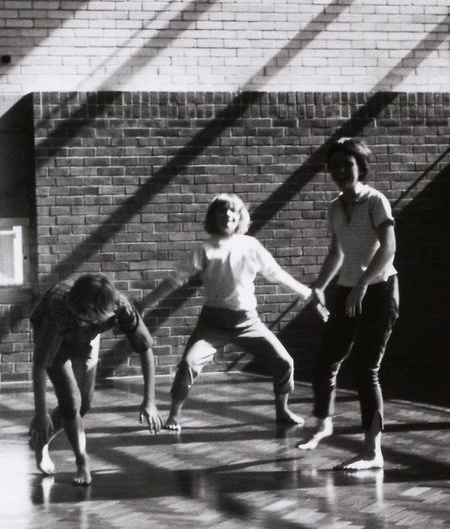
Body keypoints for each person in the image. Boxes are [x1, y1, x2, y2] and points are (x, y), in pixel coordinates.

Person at [164, 193, 313, 433]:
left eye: (233, 211)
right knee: (188, 364)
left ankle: (282, 409)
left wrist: (306, 293)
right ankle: (173, 415)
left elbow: (275, 273)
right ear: (213, 217)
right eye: (222, 211)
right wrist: (144, 303)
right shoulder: (205, 249)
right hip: (212, 323)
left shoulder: (250, 245)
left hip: (247, 321)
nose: (227, 215)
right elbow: (175, 279)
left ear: (240, 217)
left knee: (285, 362)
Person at [297, 137, 399, 471]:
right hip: (347, 291)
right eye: (336, 165)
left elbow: (388, 249)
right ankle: (324, 423)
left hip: (381, 290)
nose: (341, 170)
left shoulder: (376, 201)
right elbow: (336, 253)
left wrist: (362, 285)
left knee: (365, 369)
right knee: (326, 359)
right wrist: (319, 287)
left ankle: (373, 452)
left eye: (348, 164)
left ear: (361, 167)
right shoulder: (335, 208)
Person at [29, 273, 162, 485]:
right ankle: (82, 461)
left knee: (84, 402)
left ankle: (41, 439)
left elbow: (145, 349)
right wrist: (40, 412)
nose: (80, 320)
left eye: (86, 319)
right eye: (78, 317)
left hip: (87, 338)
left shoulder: (121, 307)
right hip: (55, 334)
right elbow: (40, 366)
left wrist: (150, 400)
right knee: (71, 400)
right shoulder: (59, 313)